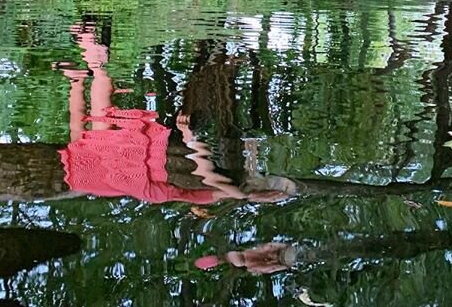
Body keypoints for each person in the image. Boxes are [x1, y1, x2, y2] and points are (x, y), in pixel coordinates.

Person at [56, 16, 297, 205]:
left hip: (143, 179)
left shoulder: (232, 188)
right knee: (90, 136)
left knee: (87, 139)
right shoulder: (231, 187)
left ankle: (84, 70)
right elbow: (206, 174)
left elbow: (205, 173)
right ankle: (83, 71)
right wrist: (190, 139)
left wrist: (191, 140)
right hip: (143, 177)